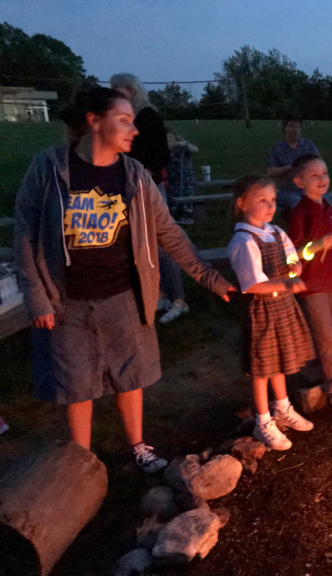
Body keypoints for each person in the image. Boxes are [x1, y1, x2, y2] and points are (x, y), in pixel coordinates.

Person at [14, 87, 234, 472]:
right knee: (76, 383)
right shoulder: (49, 168)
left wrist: (210, 278)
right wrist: (37, 298)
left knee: (130, 375)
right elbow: (25, 234)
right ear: (93, 121)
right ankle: (79, 463)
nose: (134, 129)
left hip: (123, 295)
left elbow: (170, 234)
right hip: (68, 300)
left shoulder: (134, 176)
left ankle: (138, 446)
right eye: (125, 120)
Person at [227, 175, 316, 450]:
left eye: (273, 200)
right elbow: (252, 283)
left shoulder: (276, 232)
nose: (270, 206)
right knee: (262, 368)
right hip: (263, 311)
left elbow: (291, 257)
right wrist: (287, 282)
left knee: (280, 361)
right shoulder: (244, 241)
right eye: (262, 200)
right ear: (243, 203)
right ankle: (263, 421)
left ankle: (283, 408)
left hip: (283, 307)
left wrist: (295, 267)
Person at [110, 73, 189, 323]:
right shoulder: (129, 118)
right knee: (144, 247)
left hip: (149, 189)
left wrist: (142, 172)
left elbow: (160, 155)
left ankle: (179, 300)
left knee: (162, 245)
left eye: (118, 89)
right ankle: (161, 295)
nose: (114, 94)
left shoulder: (147, 117)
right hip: (131, 189)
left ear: (132, 91)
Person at [287, 154, 332, 418]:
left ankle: (326, 372)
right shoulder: (299, 213)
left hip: (330, 281)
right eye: (314, 175)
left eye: (324, 173)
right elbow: (293, 252)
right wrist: (316, 246)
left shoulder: (331, 210)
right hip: (312, 282)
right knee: (327, 335)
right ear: (299, 181)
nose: (322, 179)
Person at [266, 115, 320, 211]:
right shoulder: (277, 148)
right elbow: (270, 172)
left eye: (297, 127)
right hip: (287, 191)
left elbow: (319, 165)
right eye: (291, 126)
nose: (294, 129)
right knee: (300, 205)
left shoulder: (308, 145)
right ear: (285, 128)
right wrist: (288, 168)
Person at [166, 126, 198, 223]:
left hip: (186, 178)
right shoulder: (164, 149)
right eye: (168, 138)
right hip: (172, 178)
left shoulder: (182, 146)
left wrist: (183, 144)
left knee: (186, 198)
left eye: (171, 137)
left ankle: (187, 218)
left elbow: (195, 150)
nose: (170, 140)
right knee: (173, 200)